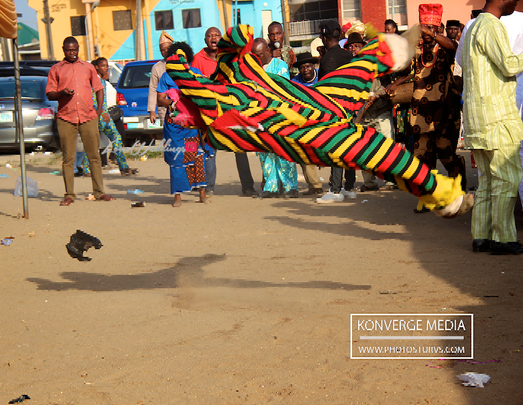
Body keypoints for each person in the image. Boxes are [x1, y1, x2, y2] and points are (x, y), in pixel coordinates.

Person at [164, 24, 473, 219]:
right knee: (368, 150)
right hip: (306, 130)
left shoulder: (230, 83)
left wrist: (183, 58)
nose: (177, 112)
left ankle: (438, 192)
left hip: (314, 107)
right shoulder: (216, 120)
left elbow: (230, 46)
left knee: (364, 132)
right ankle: (438, 192)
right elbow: (203, 73)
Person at [391, 4, 466, 213]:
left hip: (445, 112)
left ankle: (459, 192)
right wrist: (396, 82)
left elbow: (455, 46)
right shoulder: (417, 48)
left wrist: (432, 35)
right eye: (423, 28)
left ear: (437, 29)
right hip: (420, 113)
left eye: (429, 29)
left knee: (447, 156)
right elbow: (408, 69)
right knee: (423, 157)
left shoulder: (446, 47)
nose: (425, 33)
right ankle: (426, 198)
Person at [462, 0, 523, 254]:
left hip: (478, 118)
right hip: (496, 116)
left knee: (487, 180)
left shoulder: (473, 26)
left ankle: (481, 236)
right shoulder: (491, 25)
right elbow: (509, 64)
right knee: (507, 178)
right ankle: (503, 239)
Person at [46, 36, 114, 206]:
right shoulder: (56, 69)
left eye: (75, 49)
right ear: (63, 49)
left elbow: (99, 89)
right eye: (69, 50)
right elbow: (49, 93)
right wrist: (61, 93)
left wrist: (98, 111)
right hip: (66, 117)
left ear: (78, 49)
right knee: (68, 158)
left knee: (94, 156)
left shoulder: (88, 67)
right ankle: (69, 194)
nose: (72, 53)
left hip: (88, 116)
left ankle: (99, 192)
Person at [157, 42, 210, 207]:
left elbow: (204, 93)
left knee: (196, 157)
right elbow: (160, 99)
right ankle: (177, 196)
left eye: (184, 58)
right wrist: (173, 102)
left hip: (191, 125)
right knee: (176, 159)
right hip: (174, 126)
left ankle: (202, 194)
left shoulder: (195, 73)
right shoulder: (167, 76)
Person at [251, 38, 298, 198]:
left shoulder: (280, 67)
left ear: (267, 52)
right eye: (254, 55)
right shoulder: (252, 70)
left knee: (284, 151)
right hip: (260, 118)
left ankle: (290, 187)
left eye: (259, 55)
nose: (257, 58)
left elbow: (283, 92)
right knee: (265, 153)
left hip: (280, 116)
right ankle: (271, 187)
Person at [317, 20, 357, 203]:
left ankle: (335, 190)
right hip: (352, 107)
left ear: (324, 38)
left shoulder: (326, 60)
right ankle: (349, 187)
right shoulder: (349, 55)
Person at [80, 57, 137, 177]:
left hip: (101, 114)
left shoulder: (100, 80)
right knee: (103, 140)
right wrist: (102, 112)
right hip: (99, 115)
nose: (106, 68)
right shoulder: (95, 80)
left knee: (105, 140)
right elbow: (94, 100)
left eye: (106, 66)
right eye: (103, 66)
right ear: (96, 67)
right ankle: (87, 168)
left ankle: (122, 167)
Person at [291, 52, 324, 196]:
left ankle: (340, 184)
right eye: (302, 67)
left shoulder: (323, 77)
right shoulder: (295, 82)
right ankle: (315, 186)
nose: (306, 70)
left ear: (314, 66)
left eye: (308, 66)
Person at [191, 27, 220, 195]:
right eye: (210, 36)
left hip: (228, 110)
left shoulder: (227, 57)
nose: (213, 38)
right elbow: (194, 85)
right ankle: (207, 186)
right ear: (205, 40)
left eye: (216, 35)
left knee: (240, 151)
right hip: (206, 112)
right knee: (208, 149)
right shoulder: (197, 59)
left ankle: (247, 186)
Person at [149, 31, 173, 126]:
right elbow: (152, 89)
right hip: (164, 108)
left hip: (181, 108)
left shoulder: (183, 64)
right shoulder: (157, 67)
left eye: (168, 48)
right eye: (163, 49)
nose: (166, 51)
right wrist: (152, 110)